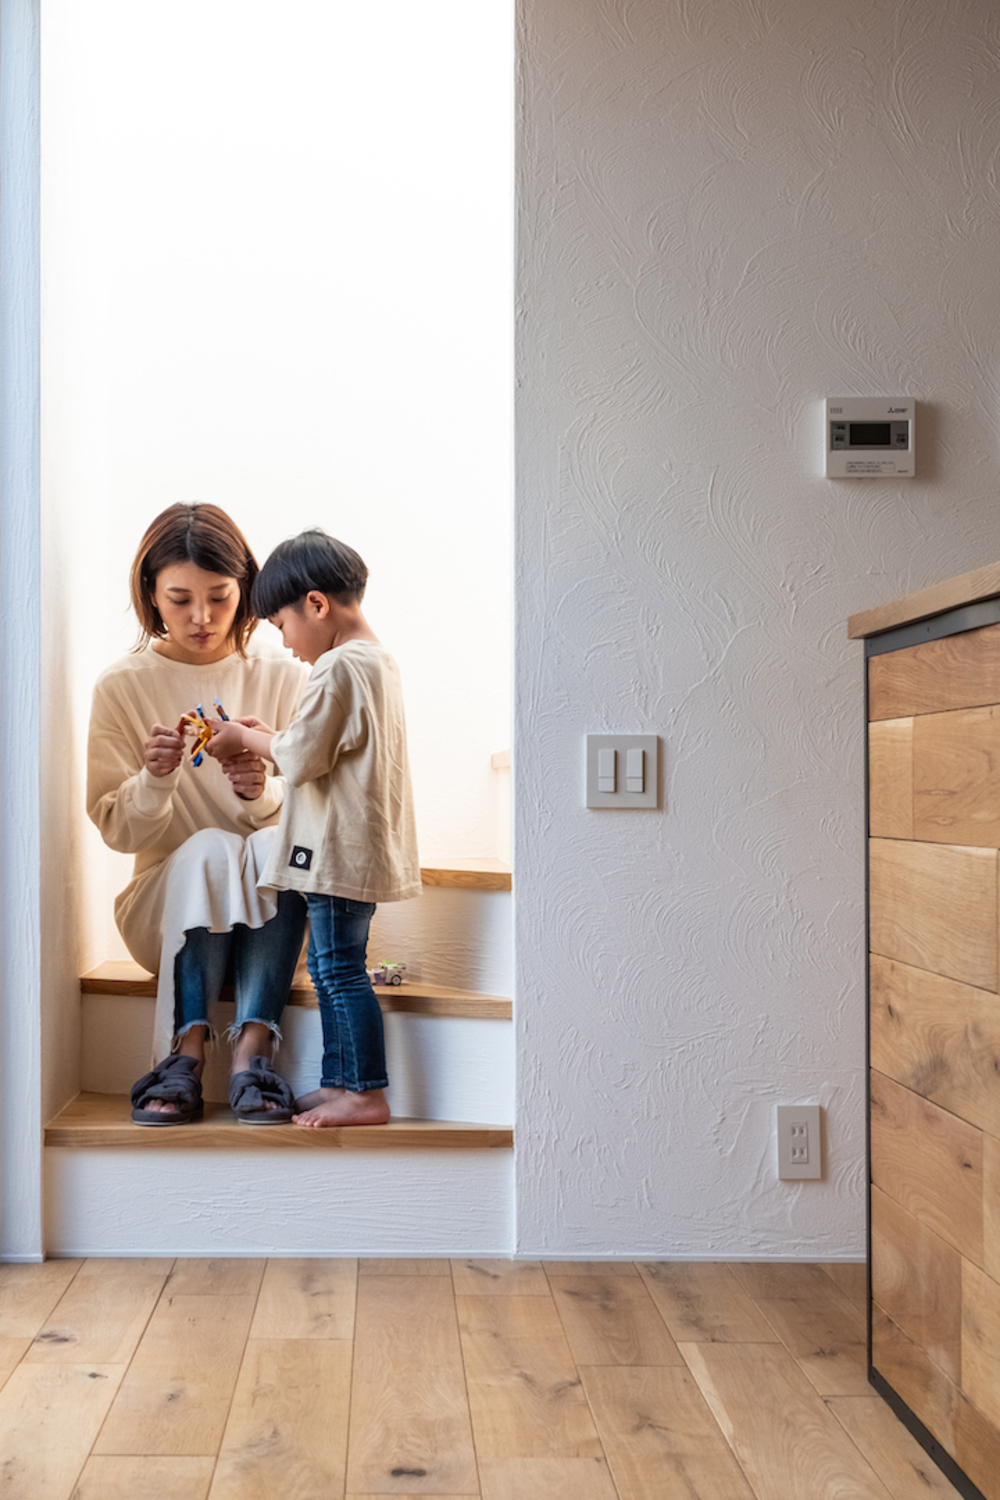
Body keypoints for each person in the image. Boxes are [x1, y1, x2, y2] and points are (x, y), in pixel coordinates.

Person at [87, 503, 309, 1125]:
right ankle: (184, 1051)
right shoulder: (122, 685)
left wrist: (261, 794)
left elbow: (320, 817)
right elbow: (116, 829)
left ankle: (253, 1052)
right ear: (151, 594)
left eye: (220, 597)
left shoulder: (284, 675)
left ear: (246, 589)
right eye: (180, 599)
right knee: (211, 845)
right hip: (164, 911)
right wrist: (154, 781)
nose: (203, 618)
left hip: (271, 918)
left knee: (273, 846)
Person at [204, 529, 421, 1126]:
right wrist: (268, 735)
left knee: (338, 971)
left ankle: (366, 1093)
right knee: (330, 969)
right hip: (358, 845)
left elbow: (300, 757)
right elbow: (322, 747)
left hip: (337, 850)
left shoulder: (337, 666)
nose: (285, 642)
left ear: (317, 604)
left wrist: (243, 737)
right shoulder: (376, 660)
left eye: (281, 624)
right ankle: (339, 1082)